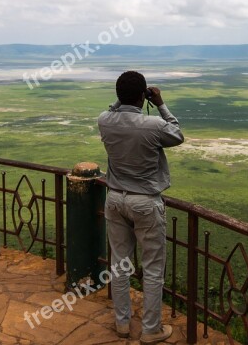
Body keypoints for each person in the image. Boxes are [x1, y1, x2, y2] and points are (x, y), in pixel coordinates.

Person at [97, 71, 184, 344]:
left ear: (118, 94)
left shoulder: (104, 121)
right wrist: (159, 102)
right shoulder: (154, 125)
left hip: (114, 198)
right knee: (153, 268)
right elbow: (177, 134)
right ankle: (150, 330)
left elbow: (114, 110)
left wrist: (123, 100)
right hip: (145, 202)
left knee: (119, 265)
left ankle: (122, 324)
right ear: (142, 95)